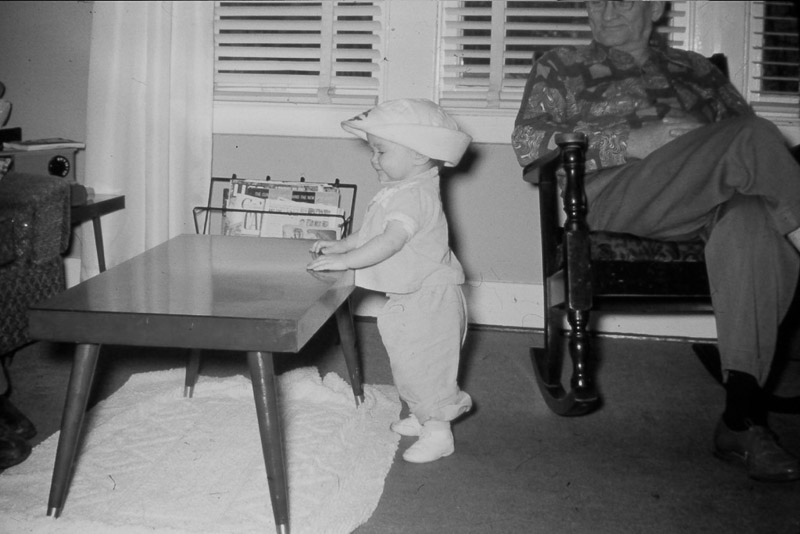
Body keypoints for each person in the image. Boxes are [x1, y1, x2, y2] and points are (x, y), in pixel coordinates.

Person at [512, 0, 800, 482]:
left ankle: (742, 419)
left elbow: (750, 146)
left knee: (751, 222)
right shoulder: (561, 65)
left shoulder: (699, 70)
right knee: (752, 138)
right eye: (595, 0)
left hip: (705, 200)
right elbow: (528, 145)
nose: (606, 11)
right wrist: (632, 142)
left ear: (657, 7)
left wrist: (704, 143)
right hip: (616, 197)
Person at [307, 98, 473, 463]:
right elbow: (374, 231)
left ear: (419, 154)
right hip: (412, 293)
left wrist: (346, 262)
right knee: (408, 359)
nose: (373, 159)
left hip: (431, 295)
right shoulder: (401, 188)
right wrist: (345, 245)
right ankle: (422, 413)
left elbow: (389, 241)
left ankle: (439, 431)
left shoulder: (415, 196)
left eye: (381, 151)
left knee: (429, 364)